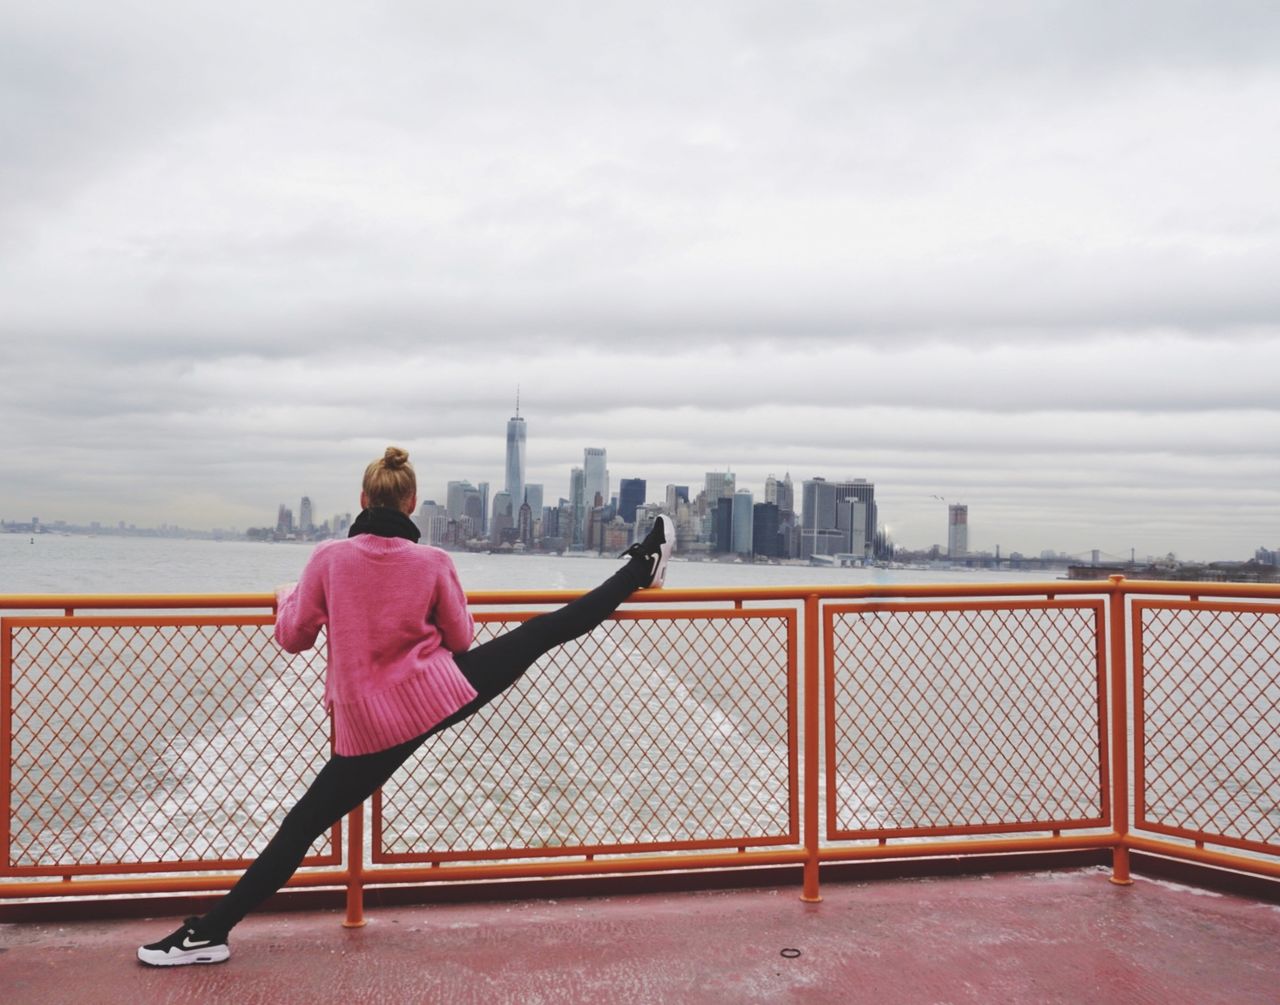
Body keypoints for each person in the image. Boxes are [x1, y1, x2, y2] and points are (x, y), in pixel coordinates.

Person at [138, 446, 674, 966]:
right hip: (437, 695)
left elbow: (294, 638)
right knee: (542, 633)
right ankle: (639, 570)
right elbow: (461, 639)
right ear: (411, 503)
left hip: (370, 725)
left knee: (301, 826)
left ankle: (209, 934)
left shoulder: (327, 559)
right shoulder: (433, 560)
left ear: (363, 497)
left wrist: (288, 598)